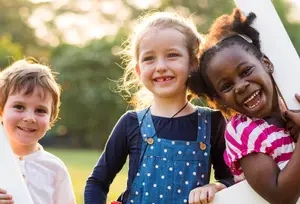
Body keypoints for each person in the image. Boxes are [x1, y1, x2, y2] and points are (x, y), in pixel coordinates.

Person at [84, 11, 233, 204]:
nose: (160, 66)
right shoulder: (131, 123)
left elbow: (232, 180)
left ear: (193, 64)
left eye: (172, 55)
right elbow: (97, 182)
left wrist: (216, 187)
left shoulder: (213, 123)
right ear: (138, 71)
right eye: (149, 58)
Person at [188, 8, 300, 204]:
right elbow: (281, 196)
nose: (240, 87)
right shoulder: (243, 131)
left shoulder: (291, 105)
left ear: (266, 64)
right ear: (220, 99)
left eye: (246, 71)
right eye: (227, 86)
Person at [0, 59, 76, 204]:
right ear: (1, 110)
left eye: (40, 110)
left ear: (51, 119)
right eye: (19, 106)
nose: (29, 118)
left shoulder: (55, 169)